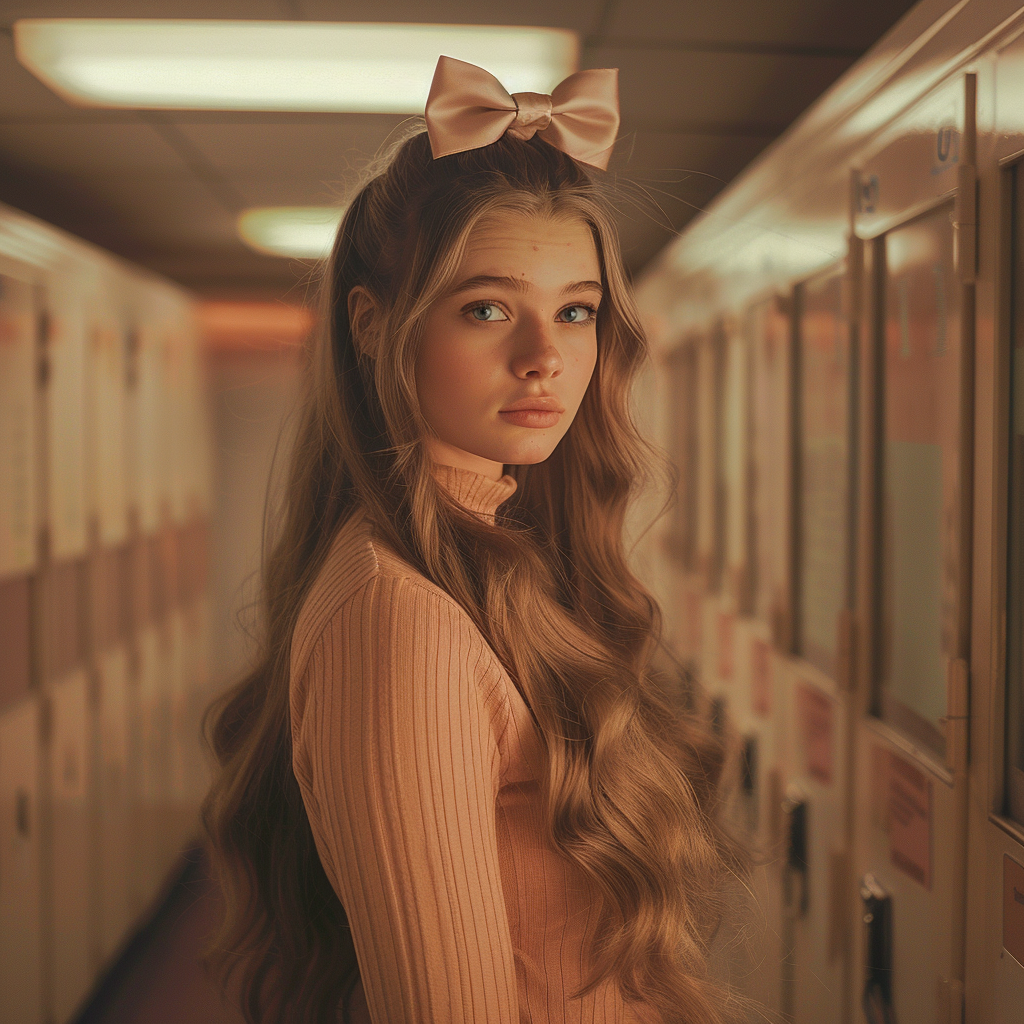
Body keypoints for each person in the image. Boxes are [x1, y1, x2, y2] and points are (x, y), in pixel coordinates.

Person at [200, 56, 747, 1024]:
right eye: (487, 308)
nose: (545, 357)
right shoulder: (397, 619)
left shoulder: (493, 562)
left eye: (575, 311)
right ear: (374, 326)